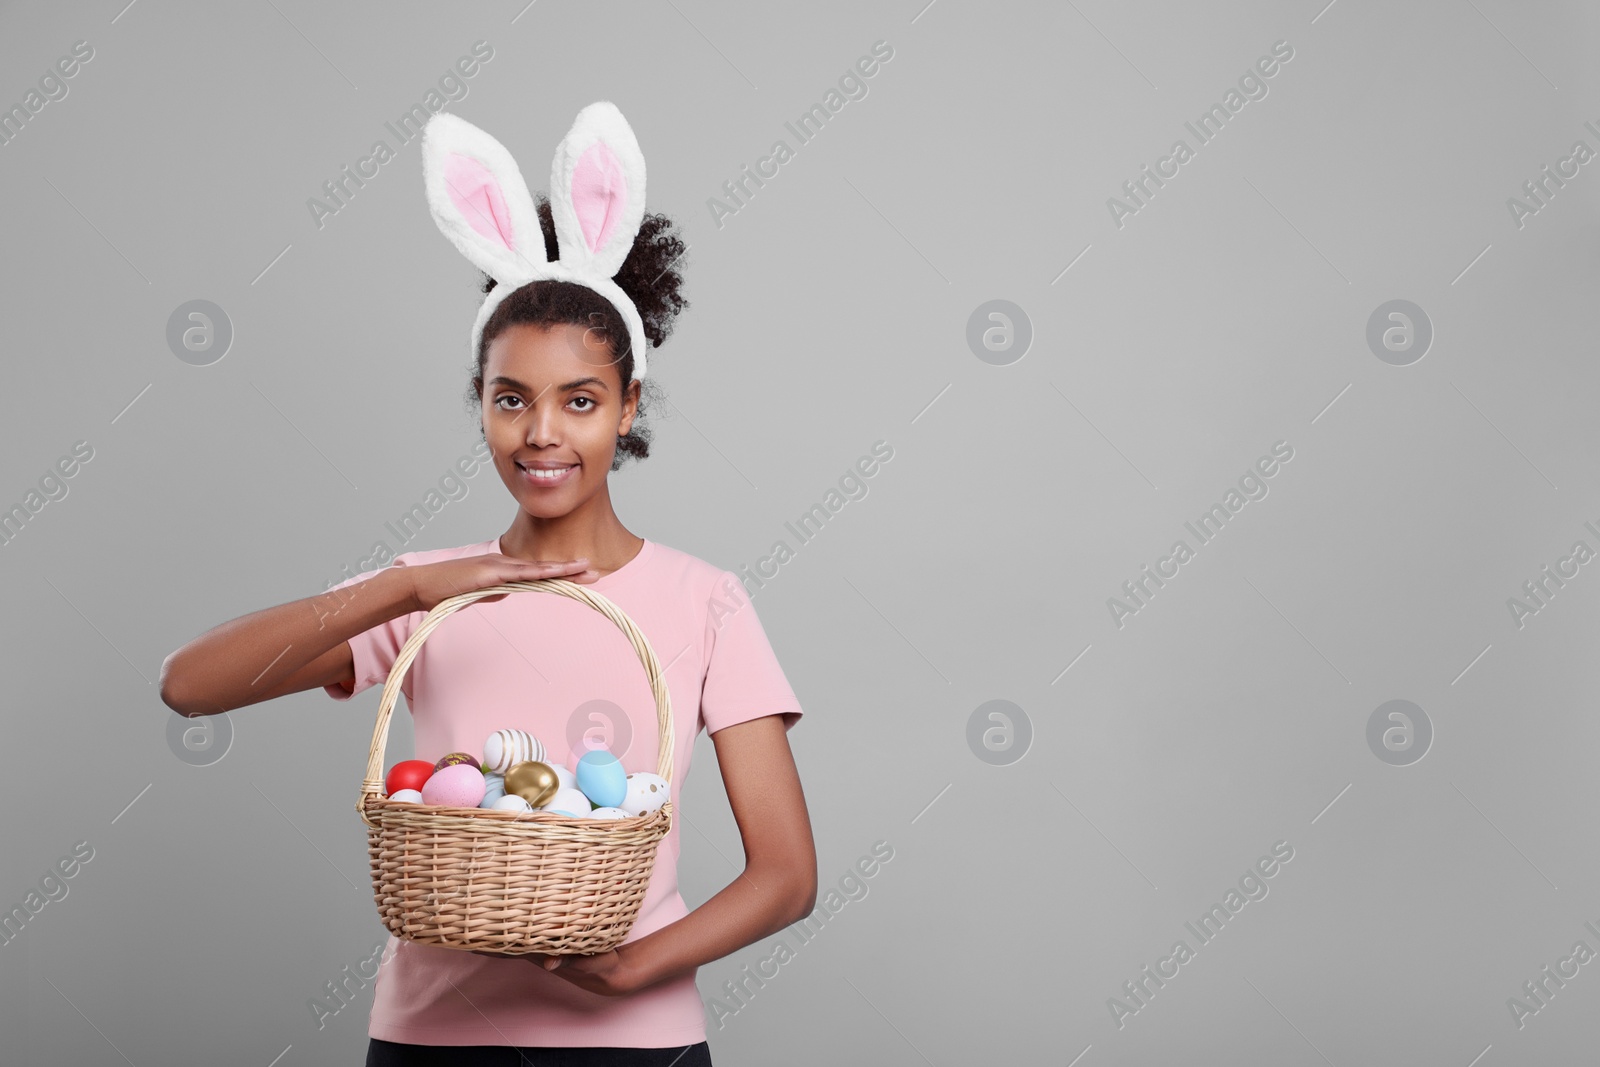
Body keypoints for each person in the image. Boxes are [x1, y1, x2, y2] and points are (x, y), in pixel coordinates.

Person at [159, 104, 816, 1067]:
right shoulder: (431, 592)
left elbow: (787, 873)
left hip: (634, 1045)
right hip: (432, 1039)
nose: (542, 432)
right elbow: (191, 685)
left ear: (628, 405)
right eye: (511, 399)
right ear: (482, 407)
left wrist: (640, 969)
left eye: (580, 400)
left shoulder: (703, 600)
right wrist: (409, 588)